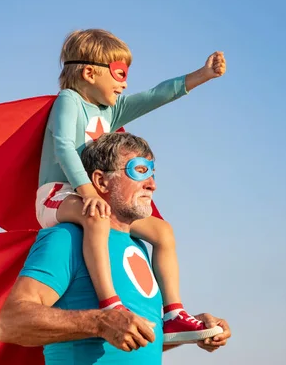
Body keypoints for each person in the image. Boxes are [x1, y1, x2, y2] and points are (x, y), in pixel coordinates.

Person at [35, 28, 226, 342]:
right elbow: (64, 147)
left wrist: (203, 75)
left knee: (163, 232)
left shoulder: (112, 110)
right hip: (58, 194)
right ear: (88, 73)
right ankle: (111, 303)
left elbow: (155, 96)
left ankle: (174, 313)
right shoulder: (69, 100)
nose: (125, 83)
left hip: (93, 195)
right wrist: (86, 192)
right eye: (119, 73)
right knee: (95, 216)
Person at [0, 132, 231, 364]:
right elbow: (10, 323)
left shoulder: (141, 246)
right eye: (140, 172)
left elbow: (130, 336)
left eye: (153, 174)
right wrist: (99, 322)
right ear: (101, 181)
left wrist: (194, 331)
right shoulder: (67, 237)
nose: (152, 185)